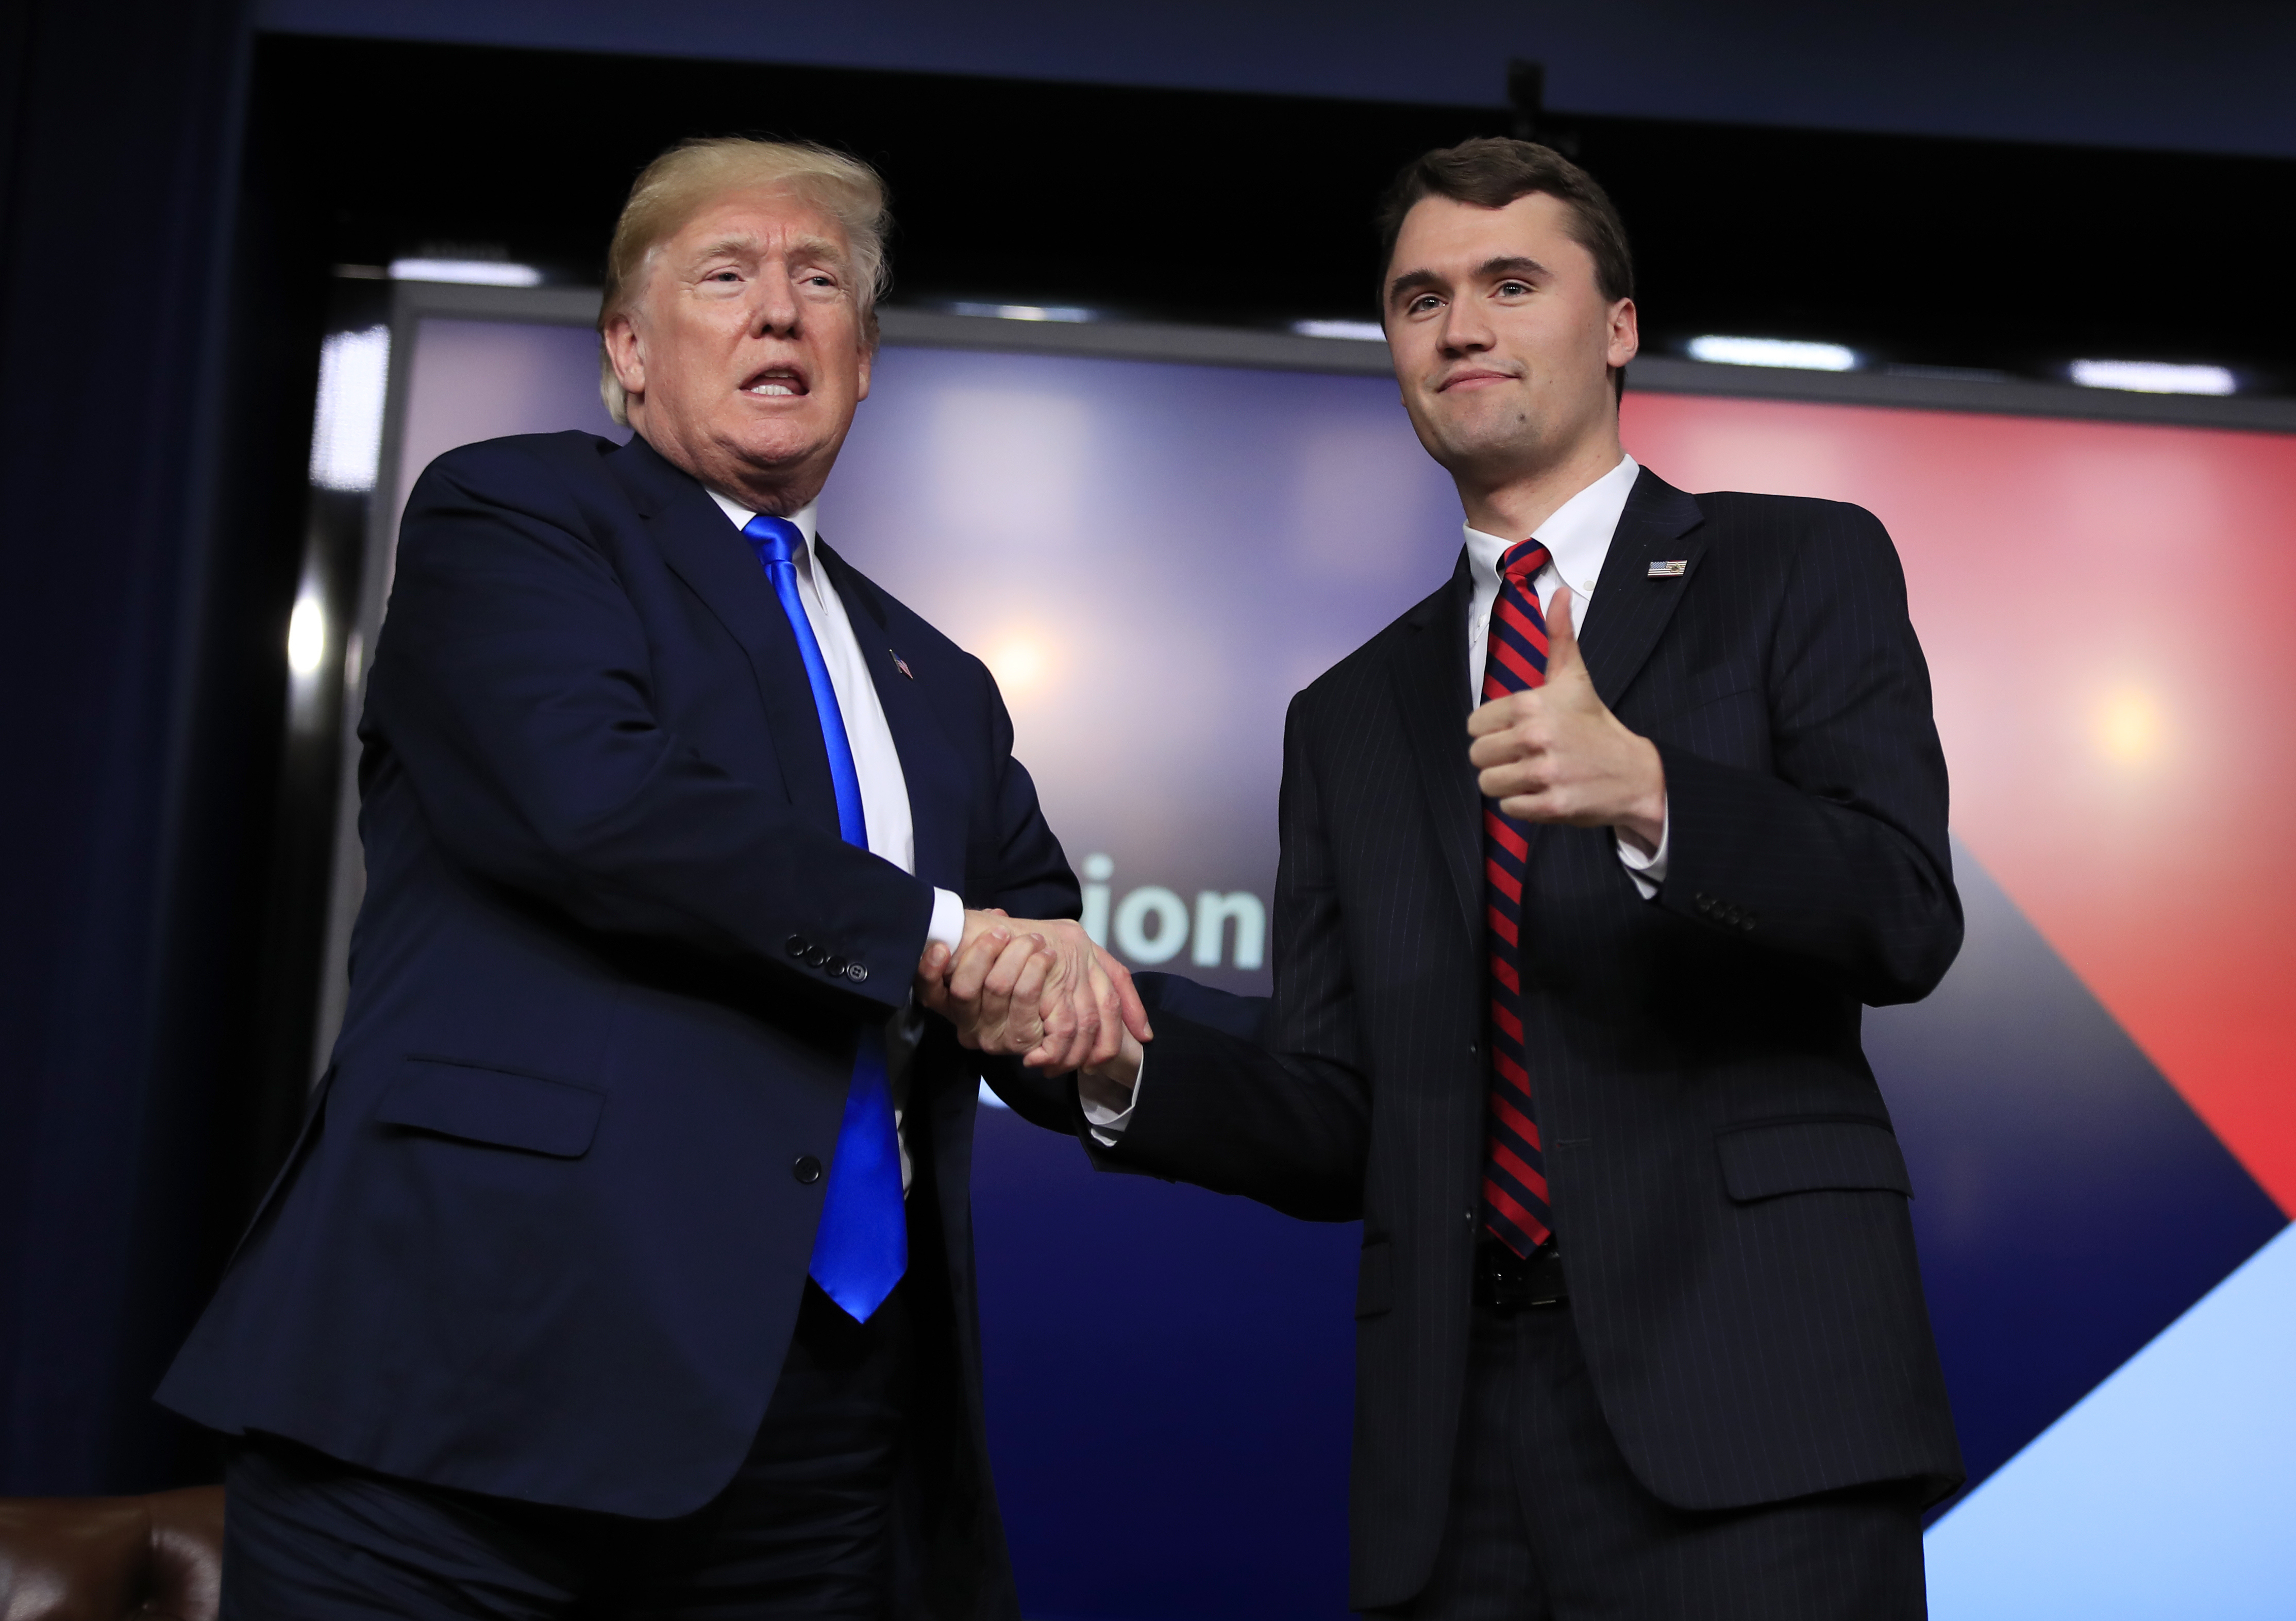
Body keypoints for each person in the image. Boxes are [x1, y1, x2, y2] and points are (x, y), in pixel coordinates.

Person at [938, 138, 1965, 1619]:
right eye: (1421, 298)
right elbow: (1338, 1107)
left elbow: (1904, 909)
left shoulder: (1796, 565)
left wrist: (1656, 792)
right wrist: (1110, 1055)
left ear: (1619, 326)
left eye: (1511, 284)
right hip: (1459, 1447)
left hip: (1763, 1413)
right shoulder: (1349, 715)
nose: (1462, 326)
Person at [158, 136, 1142, 1621]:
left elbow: (1041, 941)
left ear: (865, 359)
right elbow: (599, 810)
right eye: (726, 276)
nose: (780, 310)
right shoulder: (515, 517)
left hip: (813, 1437)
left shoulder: (938, 679)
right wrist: (942, 939)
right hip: (462, 1400)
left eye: (822, 282)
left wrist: (1101, 1012)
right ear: (627, 349)